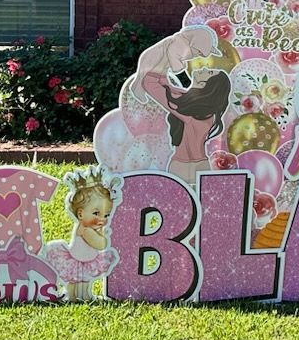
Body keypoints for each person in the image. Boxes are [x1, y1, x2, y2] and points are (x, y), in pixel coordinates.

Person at [133, 27, 230, 184]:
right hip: (193, 164)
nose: (205, 67)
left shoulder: (194, 113)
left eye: (210, 73)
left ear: (206, 85)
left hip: (185, 166)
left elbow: (152, 86)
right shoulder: (198, 108)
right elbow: (171, 89)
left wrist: (158, 65)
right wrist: (163, 69)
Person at [41, 166, 122, 301]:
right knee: (75, 280)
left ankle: (82, 296)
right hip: (77, 259)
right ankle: (73, 296)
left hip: (87, 259)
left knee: (82, 280)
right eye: (96, 213)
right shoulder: (85, 230)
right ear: (80, 214)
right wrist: (105, 236)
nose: (102, 219)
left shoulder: (91, 228)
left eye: (106, 214)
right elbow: (100, 244)